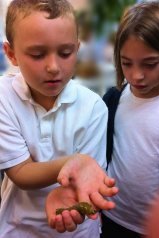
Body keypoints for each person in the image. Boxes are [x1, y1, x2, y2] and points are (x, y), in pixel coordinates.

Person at [0, 0, 118, 237]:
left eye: (65, 53)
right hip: (18, 228)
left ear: (76, 49)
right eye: (37, 54)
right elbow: (20, 171)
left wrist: (79, 188)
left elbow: (87, 182)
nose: (53, 67)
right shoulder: (4, 97)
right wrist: (74, 161)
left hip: (78, 231)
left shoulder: (93, 107)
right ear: (11, 54)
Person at [100, 2, 159, 238]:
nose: (136, 75)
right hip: (110, 216)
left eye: (150, 64)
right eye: (126, 63)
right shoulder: (113, 99)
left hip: (154, 227)